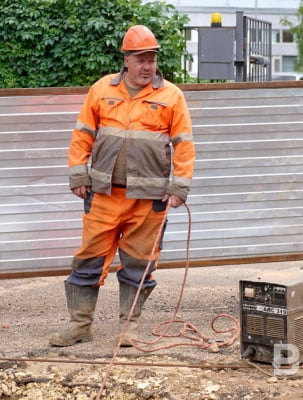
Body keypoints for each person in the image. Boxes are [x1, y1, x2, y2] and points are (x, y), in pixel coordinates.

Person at [49, 25, 196, 347]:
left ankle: (128, 328)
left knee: (139, 265)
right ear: (126, 59)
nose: (147, 66)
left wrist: (179, 187)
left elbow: (184, 145)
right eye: (140, 59)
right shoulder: (102, 89)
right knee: (88, 260)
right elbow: (83, 134)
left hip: (149, 200)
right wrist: (78, 176)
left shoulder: (171, 96)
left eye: (152, 59)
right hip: (103, 195)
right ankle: (79, 325)